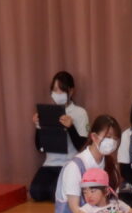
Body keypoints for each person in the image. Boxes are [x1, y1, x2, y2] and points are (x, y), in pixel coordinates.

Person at [54, 115, 122, 213]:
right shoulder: (75, 166)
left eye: (115, 138)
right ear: (94, 137)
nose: (112, 142)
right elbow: (74, 208)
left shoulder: (109, 163)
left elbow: (110, 198)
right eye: (108, 137)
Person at [30, 71, 89, 202]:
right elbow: (39, 147)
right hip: (49, 164)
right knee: (36, 192)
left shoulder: (80, 112)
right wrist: (38, 127)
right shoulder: (47, 112)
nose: (58, 93)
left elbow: (83, 146)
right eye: (55, 90)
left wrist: (70, 127)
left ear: (71, 91)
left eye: (61, 90)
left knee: (54, 192)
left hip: (69, 164)